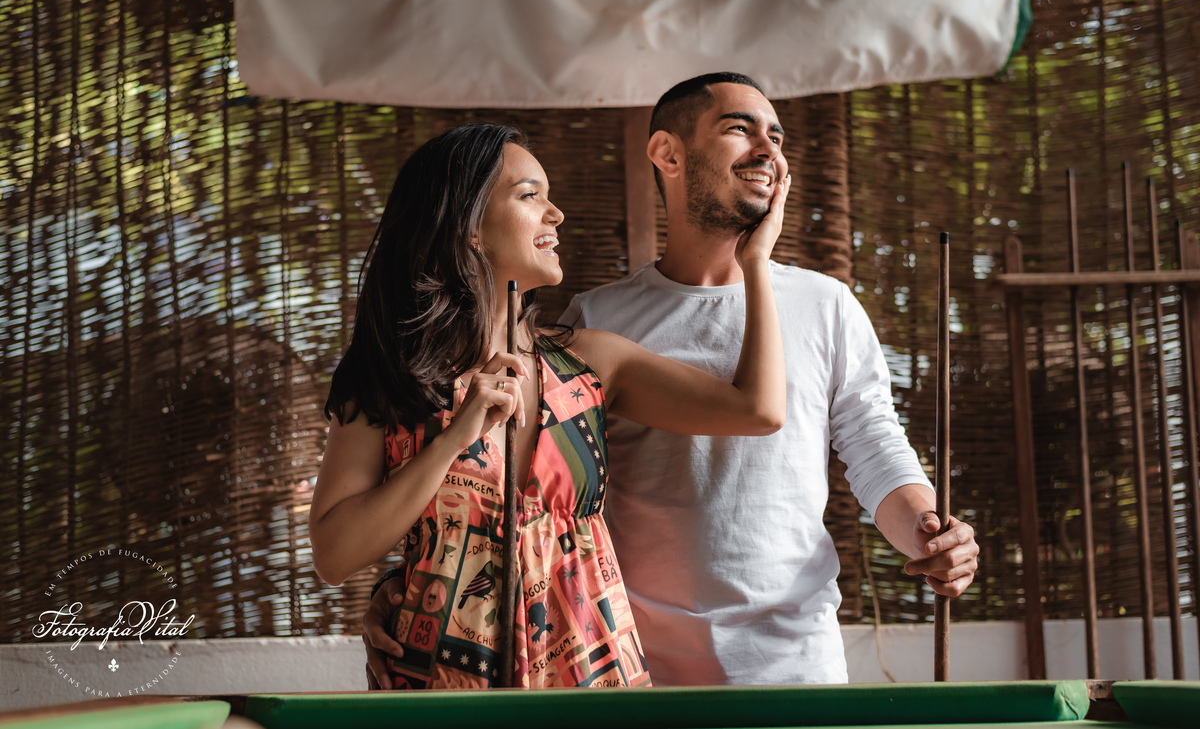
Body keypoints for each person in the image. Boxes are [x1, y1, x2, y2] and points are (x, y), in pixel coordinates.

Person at [363, 75, 979, 688]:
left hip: (796, 663)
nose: (769, 149)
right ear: (668, 154)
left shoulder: (827, 305)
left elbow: (874, 447)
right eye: (740, 129)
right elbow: (533, 488)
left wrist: (929, 532)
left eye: (777, 135)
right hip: (629, 661)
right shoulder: (597, 321)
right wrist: (412, 582)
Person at [311, 121, 790, 690]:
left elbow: (758, 410)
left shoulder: (591, 363)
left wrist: (755, 261)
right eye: (530, 195)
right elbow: (335, 555)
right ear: (468, 227)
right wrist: (452, 441)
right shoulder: (388, 377)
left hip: (592, 677)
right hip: (439, 687)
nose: (556, 213)